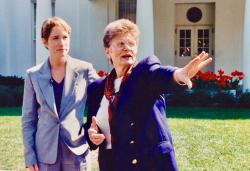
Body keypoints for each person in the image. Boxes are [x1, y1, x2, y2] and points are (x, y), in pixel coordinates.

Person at [84, 19, 212, 171]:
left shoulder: (144, 71)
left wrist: (178, 74)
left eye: (131, 43)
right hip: (114, 164)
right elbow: (92, 125)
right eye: (121, 44)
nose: (127, 48)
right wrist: (91, 134)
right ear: (107, 51)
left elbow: (159, 74)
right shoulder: (97, 88)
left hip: (152, 164)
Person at [22, 17, 98, 171]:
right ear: (45, 42)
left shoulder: (85, 69)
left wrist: (94, 128)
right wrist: (30, 156)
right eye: (55, 38)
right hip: (45, 155)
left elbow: (104, 98)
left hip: (77, 151)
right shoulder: (33, 75)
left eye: (65, 37)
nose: (61, 43)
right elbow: (28, 119)